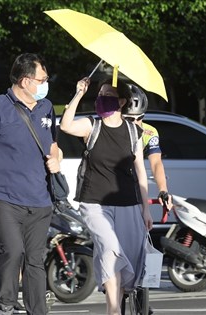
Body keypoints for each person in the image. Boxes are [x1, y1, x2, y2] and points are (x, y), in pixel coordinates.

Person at [0, 53, 61, 315]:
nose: (46, 84)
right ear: (25, 81)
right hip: (5, 198)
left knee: (35, 260)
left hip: (40, 199)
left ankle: (38, 311)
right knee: (12, 251)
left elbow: (53, 146)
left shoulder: (46, 108)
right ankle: (6, 306)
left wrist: (57, 159)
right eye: (42, 79)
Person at [59, 77, 153, 315]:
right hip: (94, 204)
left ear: (121, 102)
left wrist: (146, 208)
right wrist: (79, 94)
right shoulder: (92, 126)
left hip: (128, 203)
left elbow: (140, 172)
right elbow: (65, 125)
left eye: (108, 95)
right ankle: (113, 310)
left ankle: (116, 307)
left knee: (125, 257)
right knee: (111, 248)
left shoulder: (134, 132)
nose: (102, 99)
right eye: (100, 95)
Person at [123, 85, 173, 209]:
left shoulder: (149, 132)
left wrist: (163, 190)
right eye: (129, 118)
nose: (135, 123)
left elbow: (156, 162)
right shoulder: (111, 129)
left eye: (140, 117)